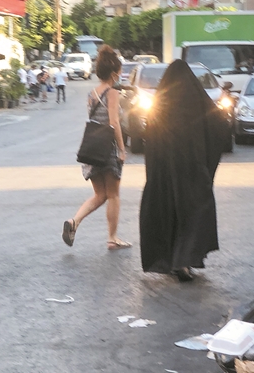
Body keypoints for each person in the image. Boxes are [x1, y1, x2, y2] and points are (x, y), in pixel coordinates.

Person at [139, 60, 229, 282]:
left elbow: (149, 139)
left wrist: (154, 172)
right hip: (192, 168)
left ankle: (171, 260)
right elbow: (219, 125)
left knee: (167, 213)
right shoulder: (198, 100)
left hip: (164, 172)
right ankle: (184, 261)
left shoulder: (160, 103)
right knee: (193, 214)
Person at [62, 45, 130, 250]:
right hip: (107, 149)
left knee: (100, 194)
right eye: (119, 73)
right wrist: (121, 148)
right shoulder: (112, 93)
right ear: (113, 73)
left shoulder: (92, 93)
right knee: (114, 195)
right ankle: (112, 238)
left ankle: (74, 221)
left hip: (91, 148)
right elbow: (113, 122)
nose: (120, 76)